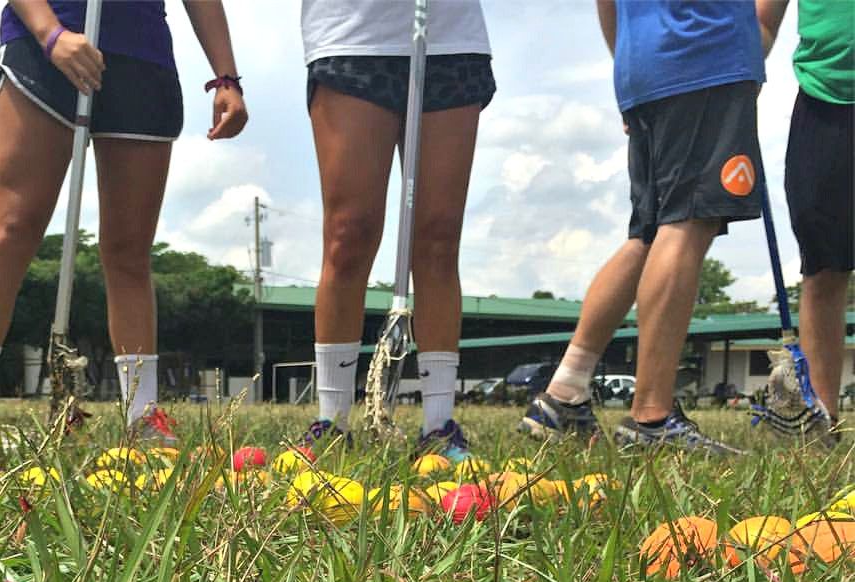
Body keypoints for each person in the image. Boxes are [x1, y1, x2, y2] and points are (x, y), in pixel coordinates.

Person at [0, 0, 247, 442]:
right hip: (45, 46)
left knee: (129, 251)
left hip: (141, 57)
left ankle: (142, 420)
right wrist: (50, 33)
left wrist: (226, 77)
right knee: (12, 225)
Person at [520, 0, 765, 454]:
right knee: (689, 223)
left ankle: (564, 393)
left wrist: (629, 64)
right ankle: (651, 417)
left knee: (649, 234)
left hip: (644, 65)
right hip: (706, 54)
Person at [300, 0, 496, 461]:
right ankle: (332, 423)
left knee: (438, 237)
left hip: (449, 38)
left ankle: (439, 427)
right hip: (352, 35)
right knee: (349, 234)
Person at [756, 0, 853, 444]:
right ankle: (822, 421)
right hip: (825, 99)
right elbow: (762, 18)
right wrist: (738, 84)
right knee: (823, 264)